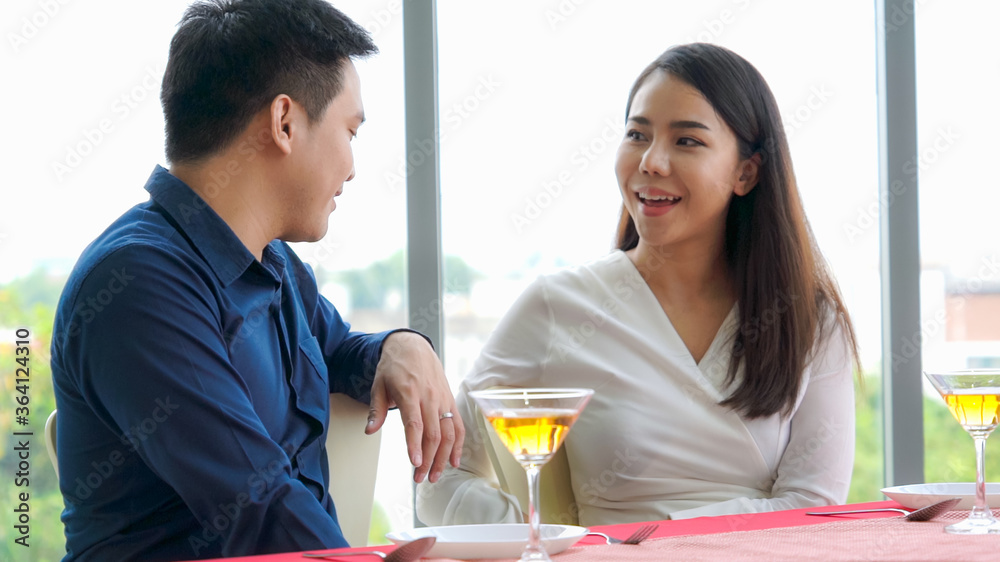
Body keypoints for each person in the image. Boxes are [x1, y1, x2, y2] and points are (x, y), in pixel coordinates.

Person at [49, 1, 464, 560]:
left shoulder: (273, 264)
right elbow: (257, 504)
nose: (352, 166)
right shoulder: (137, 285)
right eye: (350, 131)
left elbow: (338, 350)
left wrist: (399, 345)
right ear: (285, 123)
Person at [416, 43, 860, 527]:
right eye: (636, 135)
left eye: (686, 141)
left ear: (745, 173)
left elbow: (813, 505)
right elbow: (442, 475)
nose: (651, 161)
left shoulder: (809, 319)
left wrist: (661, 538)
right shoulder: (558, 307)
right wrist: (548, 538)